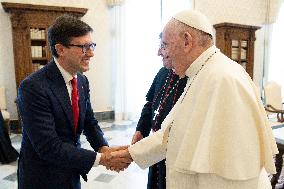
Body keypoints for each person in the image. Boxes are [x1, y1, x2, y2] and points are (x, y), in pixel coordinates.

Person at [113, 10, 278, 189]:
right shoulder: (201, 73)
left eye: (166, 44)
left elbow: (228, 166)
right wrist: (131, 153)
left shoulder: (222, 78)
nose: (162, 52)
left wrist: (128, 154)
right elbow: (173, 133)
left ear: (187, 41)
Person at [17, 15, 130, 189]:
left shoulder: (82, 81)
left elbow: (89, 122)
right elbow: (49, 147)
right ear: (60, 49)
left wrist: (103, 148)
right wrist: (102, 159)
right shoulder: (33, 87)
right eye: (84, 47)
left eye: (91, 45)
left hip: (71, 170)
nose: (91, 53)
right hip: (43, 178)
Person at [131, 33, 187, 189]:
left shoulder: (191, 78)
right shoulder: (162, 73)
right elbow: (150, 103)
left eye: (163, 46)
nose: (158, 52)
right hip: (156, 146)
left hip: (174, 151)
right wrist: (141, 129)